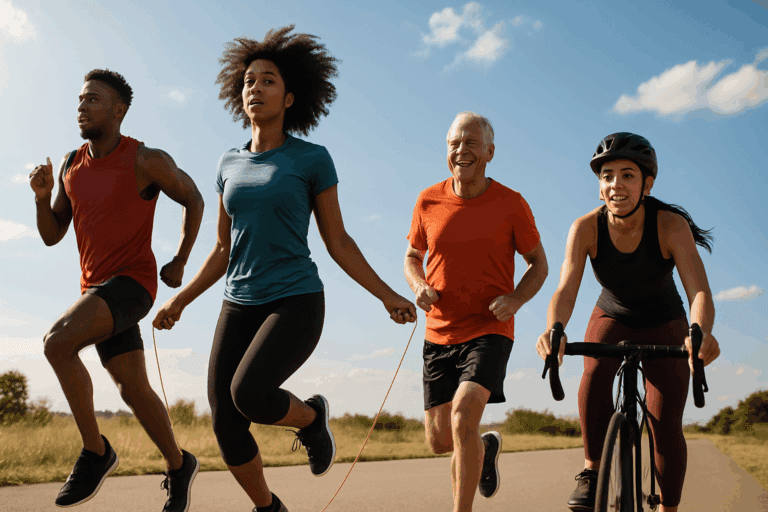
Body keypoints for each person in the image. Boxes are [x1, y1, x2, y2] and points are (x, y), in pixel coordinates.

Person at [152, 26, 416, 512]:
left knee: (249, 393)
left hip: (295, 300)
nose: (255, 88)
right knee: (225, 421)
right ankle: (268, 508)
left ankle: (312, 419)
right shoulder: (228, 163)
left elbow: (338, 240)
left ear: (290, 98)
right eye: (249, 81)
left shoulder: (311, 159)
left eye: (268, 80)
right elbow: (222, 247)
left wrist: (387, 294)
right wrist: (180, 300)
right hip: (238, 301)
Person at [28, 69, 205, 511]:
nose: (81, 106)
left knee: (56, 343)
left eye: (93, 99)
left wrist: (181, 259)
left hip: (133, 284)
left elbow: (194, 198)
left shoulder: (146, 159)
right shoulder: (70, 164)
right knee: (133, 389)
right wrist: (41, 198)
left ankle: (96, 452)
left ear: (118, 111)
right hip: (96, 290)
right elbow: (52, 234)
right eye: (80, 99)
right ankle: (179, 463)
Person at [535, 132, 721, 512]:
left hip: (664, 321)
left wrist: (700, 333)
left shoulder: (670, 226)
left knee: (664, 424)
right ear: (599, 185)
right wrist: (555, 330)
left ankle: (668, 508)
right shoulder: (585, 228)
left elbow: (699, 291)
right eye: (607, 176)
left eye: (627, 175)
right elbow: (565, 290)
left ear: (647, 184)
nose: (615, 184)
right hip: (613, 315)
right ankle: (592, 470)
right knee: (594, 371)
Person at [404, 112, 548, 512]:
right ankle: (483, 447)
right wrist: (419, 285)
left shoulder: (511, 203)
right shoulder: (428, 200)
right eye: (454, 143)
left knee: (463, 415)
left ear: (489, 152)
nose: (461, 151)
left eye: (470, 143)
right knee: (441, 440)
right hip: (438, 331)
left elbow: (538, 264)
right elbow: (413, 256)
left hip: (489, 329)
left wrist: (516, 299)